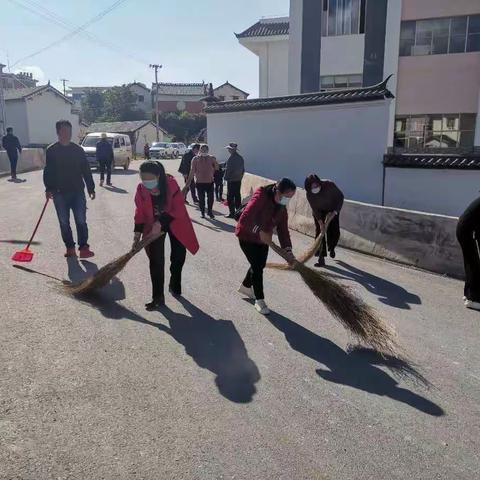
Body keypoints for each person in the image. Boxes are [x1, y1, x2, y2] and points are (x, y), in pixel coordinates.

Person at [133, 161, 199, 310]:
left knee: (178, 256)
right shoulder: (141, 189)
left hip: (175, 222)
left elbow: (178, 208)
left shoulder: (171, 185)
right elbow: (139, 212)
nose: (146, 183)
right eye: (143, 179)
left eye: (149, 179)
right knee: (156, 260)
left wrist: (160, 223)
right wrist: (137, 233)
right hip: (153, 225)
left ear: (158, 176)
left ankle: (174, 283)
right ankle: (157, 297)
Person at [236, 178, 297, 315]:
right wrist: (259, 231)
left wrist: (288, 250)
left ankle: (246, 286)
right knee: (257, 267)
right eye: (286, 197)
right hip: (246, 236)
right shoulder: (261, 195)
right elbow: (245, 218)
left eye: (290, 198)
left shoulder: (282, 207)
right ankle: (259, 300)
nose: (288, 200)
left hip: (264, 240)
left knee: (259, 264)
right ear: (277, 191)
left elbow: (283, 230)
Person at [43, 120, 96, 258]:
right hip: (59, 193)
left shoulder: (78, 150)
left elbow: (86, 169)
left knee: (81, 220)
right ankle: (70, 247)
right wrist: (48, 188)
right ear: (58, 132)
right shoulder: (51, 150)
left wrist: (91, 188)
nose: (67, 134)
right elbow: (48, 171)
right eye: (64, 131)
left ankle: (83, 247)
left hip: (77, 191)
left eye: (69, 131)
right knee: (64, 222)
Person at [304, 174, 344, 267]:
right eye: (312, 186)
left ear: (319, 183)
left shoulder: (329, 185)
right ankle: (321, 258)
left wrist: (335, 212)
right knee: (319, 232)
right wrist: (321, 223)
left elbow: (340, 197)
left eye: (316, 185)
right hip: (319, 212)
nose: (315, 188)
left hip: (332, 209)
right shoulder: (309, 194)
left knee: (334, 231)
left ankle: (332, 247)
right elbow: (314, 209)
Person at [457, 197, 480, 311]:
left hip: (465, 230)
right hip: (466, 232)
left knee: (471, 262)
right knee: (473, 264)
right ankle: (473, 300)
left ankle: (468, 295)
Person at [185, 144, 218, 219]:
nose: (204, 151)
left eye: (206, 149)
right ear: (200, 150)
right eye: (202, 149)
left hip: (210, 182)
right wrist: (188, 182)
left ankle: (210, 212)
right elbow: (192, 171)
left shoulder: (211, 158)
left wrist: (215, 161)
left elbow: (216, 168)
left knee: (211, 198)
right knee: (201, 199)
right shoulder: (195, 159)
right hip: (200, 182)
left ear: (208, 150)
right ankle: (203, 212)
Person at [224, 143, 245, 218]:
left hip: (231, 180)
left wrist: (226, 178)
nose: (228, 150)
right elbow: (243, 170)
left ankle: (232, 213)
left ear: (232, 150)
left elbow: (228, 170)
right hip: (238, 180)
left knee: (230, 197)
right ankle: (239, 213)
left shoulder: (231, 158)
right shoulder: (240, 158)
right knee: (237, 196)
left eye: (229, 149)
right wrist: (240, 177)